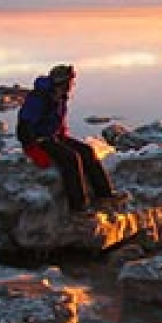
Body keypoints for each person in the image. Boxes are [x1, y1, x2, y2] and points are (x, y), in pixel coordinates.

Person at [16, 64, 126, 212]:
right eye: (70, 82)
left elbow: (56, 119)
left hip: (55, 136)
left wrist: (62, 132)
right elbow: (24, 126)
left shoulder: (59, 95)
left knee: (87, 151)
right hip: (39, 139)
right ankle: (79, 207)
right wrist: (33, 150)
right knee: (72, 159)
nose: (72, 85)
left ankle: (105, 195)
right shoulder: (39, 98)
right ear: (62, 82)